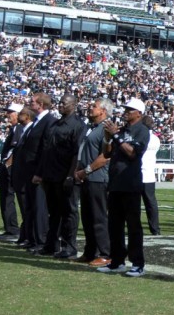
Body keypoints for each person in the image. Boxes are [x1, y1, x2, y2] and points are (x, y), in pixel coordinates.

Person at [96, 99, 151, 277]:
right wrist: (107, 137)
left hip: (131, 183)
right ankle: (117, 260)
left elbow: (133, 153)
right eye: (126, 108)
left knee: (133, 226)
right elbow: (107, 153)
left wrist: (116, 136)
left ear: (139, 113)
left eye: (130, 109)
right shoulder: (122, 130)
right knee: (115, 225)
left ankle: (137, 263)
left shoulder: (142, 131)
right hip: (116, 183)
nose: (126, 111)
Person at [36, 93, 85, 259]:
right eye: (60, 102)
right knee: (53, 212)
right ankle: (51, 244)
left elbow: (76, 153)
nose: (61, 105)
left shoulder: (78, 125)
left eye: (64, 103)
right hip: (51, 174)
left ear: (73, 105)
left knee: (69, 211)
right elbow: (46, 150)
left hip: (65, 175)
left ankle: (69, 246)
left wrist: (71, 176)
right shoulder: (55, 124)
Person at [73, 98, 114, 267]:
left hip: (98, 178)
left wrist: (86, 171)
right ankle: (91, 251)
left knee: (98, 217)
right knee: (88, 217)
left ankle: (106, 253)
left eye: (94, 106)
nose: (91, 108)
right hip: (87, 178)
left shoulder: (106, 128)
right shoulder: (93, 128)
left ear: (103, 111)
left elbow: (105, 157)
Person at [14, 93, 53, 253]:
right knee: (30, 206)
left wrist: (40, 172)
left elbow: (45, 149)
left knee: (39, 207)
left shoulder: (48, 122)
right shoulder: (37, 122)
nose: (30, 104)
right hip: (29, 172)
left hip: (37, 173)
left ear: (41, 104)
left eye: (33, 102)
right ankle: (32, 238)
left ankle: (41, 240)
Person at [0, 104, 23, 241]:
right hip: (11, 167)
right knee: (7, 198)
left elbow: (16, 148)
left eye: (11, 112)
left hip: (11, 168)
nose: (8, 115)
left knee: (8, 197)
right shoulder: (15, 128)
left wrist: (7, 164)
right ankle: (12, 229)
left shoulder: (18, 128)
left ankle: (13, 230)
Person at [141, 126, 162, 236]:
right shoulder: (155, 138)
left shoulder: (141, 136)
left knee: (133, 204)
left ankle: (136, 228)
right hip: (149, 175)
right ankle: (155, 229)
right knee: (151, 204)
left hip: (139, 174)